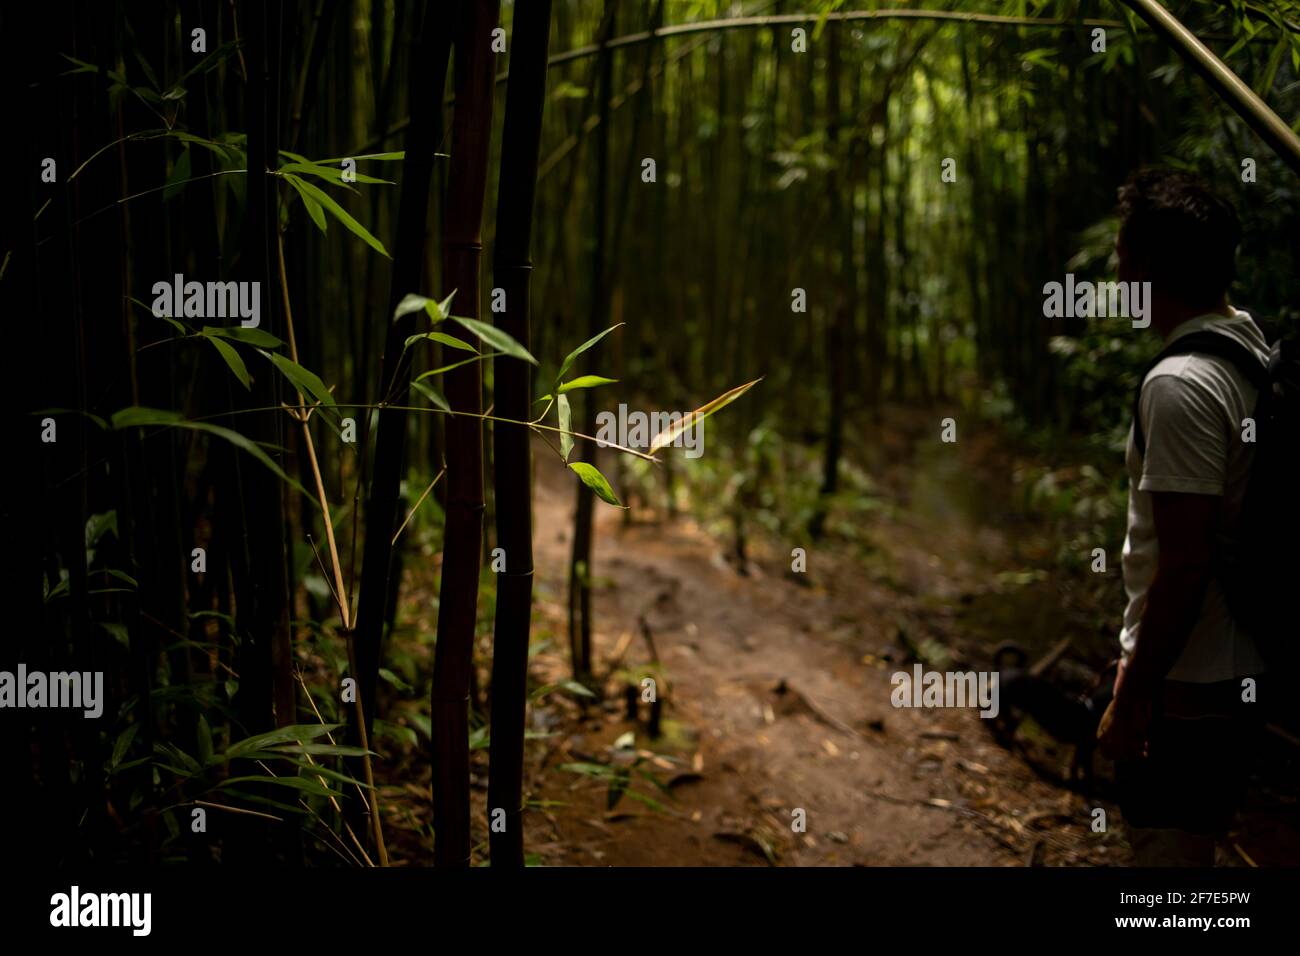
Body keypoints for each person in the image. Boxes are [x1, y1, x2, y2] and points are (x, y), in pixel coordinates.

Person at [1096, 168, 1267, 866]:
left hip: (1192, 679)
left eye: (1122, 253)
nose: (1113, 266)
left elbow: (1186, 563)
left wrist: (1134, 696)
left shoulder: (1180, 385)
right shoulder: (1249, 347)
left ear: (1149, 267)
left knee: (1169, 861)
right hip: (1239, 660)